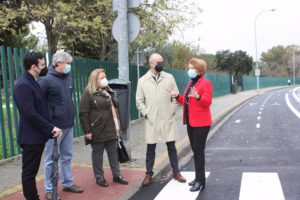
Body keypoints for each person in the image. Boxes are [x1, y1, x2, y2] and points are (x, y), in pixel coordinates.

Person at [13, 51, 61, 200]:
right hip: (30, 138)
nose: (45, 67)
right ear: (33, 66)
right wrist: (50, 128)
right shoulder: (23, 85)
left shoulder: (33, 81)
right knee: (29, 173)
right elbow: (30, 113)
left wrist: (49, 127)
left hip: (36, 136)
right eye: (42, 65)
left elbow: (40, 109)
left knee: (31, 172)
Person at [136, 53, 186, 187]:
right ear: (151, 63)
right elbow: (139, 101)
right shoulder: (142, 80)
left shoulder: (169, 78)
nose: (160, 64)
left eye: (161, 62)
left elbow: (176, 96)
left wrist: (171, 111)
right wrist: (147, 113)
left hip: (167, 118)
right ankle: (148, 175)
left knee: (172, 147)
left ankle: (176, 172)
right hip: (152, 120)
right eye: (158, 62)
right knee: (150, 148)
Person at [38, 51, 84, 199]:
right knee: (51, 159)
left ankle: (68, 183)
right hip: (54, 128)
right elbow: (39, 105)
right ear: (58, 63)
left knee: (67, 156)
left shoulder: (68, 79)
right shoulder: (46, 81)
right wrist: (48, 124)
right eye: (67, 63)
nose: (69, 66)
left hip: (68, 124)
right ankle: (49, 189)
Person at [169, 58, 213, 192]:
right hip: (191, 122)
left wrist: (199, 96)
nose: (189, 70)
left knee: (199, 152)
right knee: (195, 151)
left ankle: (200, 181)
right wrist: (177, 96)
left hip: (201, 123)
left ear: (199, 69)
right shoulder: (190, 83)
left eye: (191, 68)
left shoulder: (205, 83)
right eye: (188, 68)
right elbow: (186, 101)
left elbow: (208, 102)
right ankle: (198, 178)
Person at [79, 68, 128, 187]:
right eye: (102, 78)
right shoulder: (88, 93)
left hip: (111, 128)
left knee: (113, 154)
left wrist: (111, 93)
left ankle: (117, 175)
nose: (104, 79)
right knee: (97, 154)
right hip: (97, 130)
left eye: (105, 77)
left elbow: (117, 106)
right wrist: (87, 131)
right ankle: (99, 177)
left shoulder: (108, 92)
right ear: (95, 80)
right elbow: (83, 113)